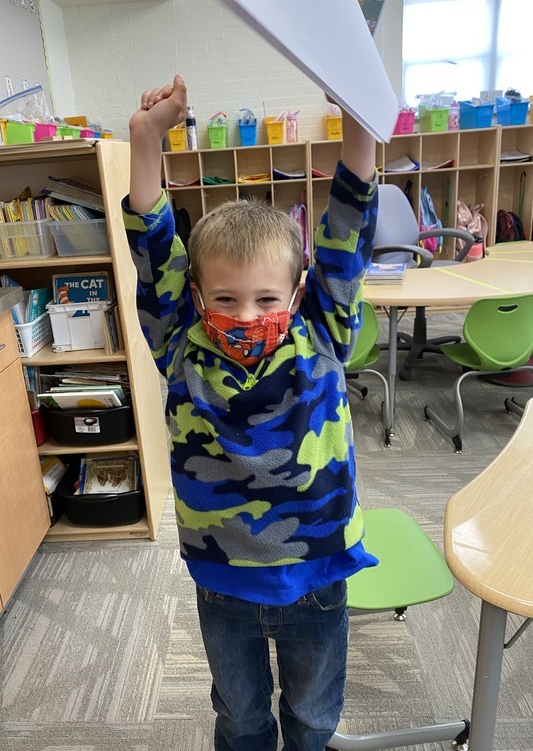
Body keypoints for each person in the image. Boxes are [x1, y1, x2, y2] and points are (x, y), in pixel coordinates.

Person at [123, 74, 379, 751]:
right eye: (226, 299)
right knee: (241, 721)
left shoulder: (322, 330)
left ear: (295, 294)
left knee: (314, 718)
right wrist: (146, 137)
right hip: (224, 581)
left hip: (317, 572)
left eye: (266, 299)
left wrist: (357, 116)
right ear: (196, 297)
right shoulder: (180, 342)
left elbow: (348, 225)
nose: (245, 316)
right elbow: (152, 246)